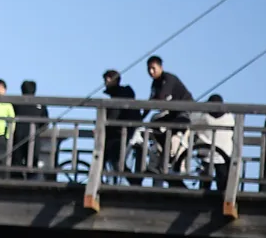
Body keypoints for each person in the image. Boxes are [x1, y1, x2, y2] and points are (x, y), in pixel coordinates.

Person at [146, 55, 195, 187]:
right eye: (149, 69)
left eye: (153, 68)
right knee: (153, 124)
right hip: (172, 113)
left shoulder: (169, 79)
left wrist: (156, 102)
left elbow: (162, 96)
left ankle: (175, 155)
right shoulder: (155, 83)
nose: (151, 72)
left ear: (160, 67)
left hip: (185, 112)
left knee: (175, 133)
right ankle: (164, 151)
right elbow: (151, 101)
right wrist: (142, 116)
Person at [102, 69, 144, 185]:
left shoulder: (119, 96)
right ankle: (128, 181)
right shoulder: (123, 94)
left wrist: (102, 126)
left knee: (115, 159)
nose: (105, 82)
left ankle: (131, 182)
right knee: (111, 158)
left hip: (122, 132)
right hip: (124, 131)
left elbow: (113, 116)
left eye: (107, 80)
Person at [190, 94, 238, 193]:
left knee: (205, 180)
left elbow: (192, 121)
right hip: (224, 153)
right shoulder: (229, 117)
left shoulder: (204, 117)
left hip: (207, 152)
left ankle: (202, 197)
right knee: (223, 180)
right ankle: (223, 197)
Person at [15, 80, 51, 179]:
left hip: (19, 133)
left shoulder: (16, 102)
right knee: (31, 158)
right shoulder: (40, 103)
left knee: (18, 158)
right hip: (33, 134)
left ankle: (17, 177)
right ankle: (31, 177)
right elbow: (46, 122)